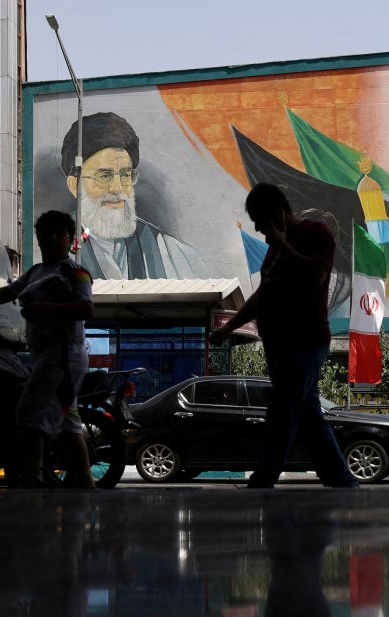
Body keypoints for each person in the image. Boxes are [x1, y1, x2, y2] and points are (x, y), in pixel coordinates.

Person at [210, 183, 359, 489]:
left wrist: (284, 245)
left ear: (277, 213)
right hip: (278, 346)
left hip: (304, 342)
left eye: (262, 223)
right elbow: (262, 296)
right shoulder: (274, 251)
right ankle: (341, 480)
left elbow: (316, 276)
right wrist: (230, 326)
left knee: (283, 409)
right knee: (308, 415)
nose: (261, 231)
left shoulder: (317, 234)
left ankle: (264, 478)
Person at [0, 211, 96, 488]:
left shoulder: (76, 273)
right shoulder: (35, 272)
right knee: (67, 421)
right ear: (39, 237)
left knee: (28, 413)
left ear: (70, 240)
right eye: (47, 233)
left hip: (62, 357)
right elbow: (6, 293)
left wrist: (44, 308)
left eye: (60, 234)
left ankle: (32, 478)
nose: (53, 239)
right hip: (49, 356)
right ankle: (84, 480)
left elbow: (87, 308)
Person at [60, 112, 209, 280]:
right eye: (104, 176)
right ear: (74, 185)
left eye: (125, 175)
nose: (117, 188)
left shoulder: (174, 254)